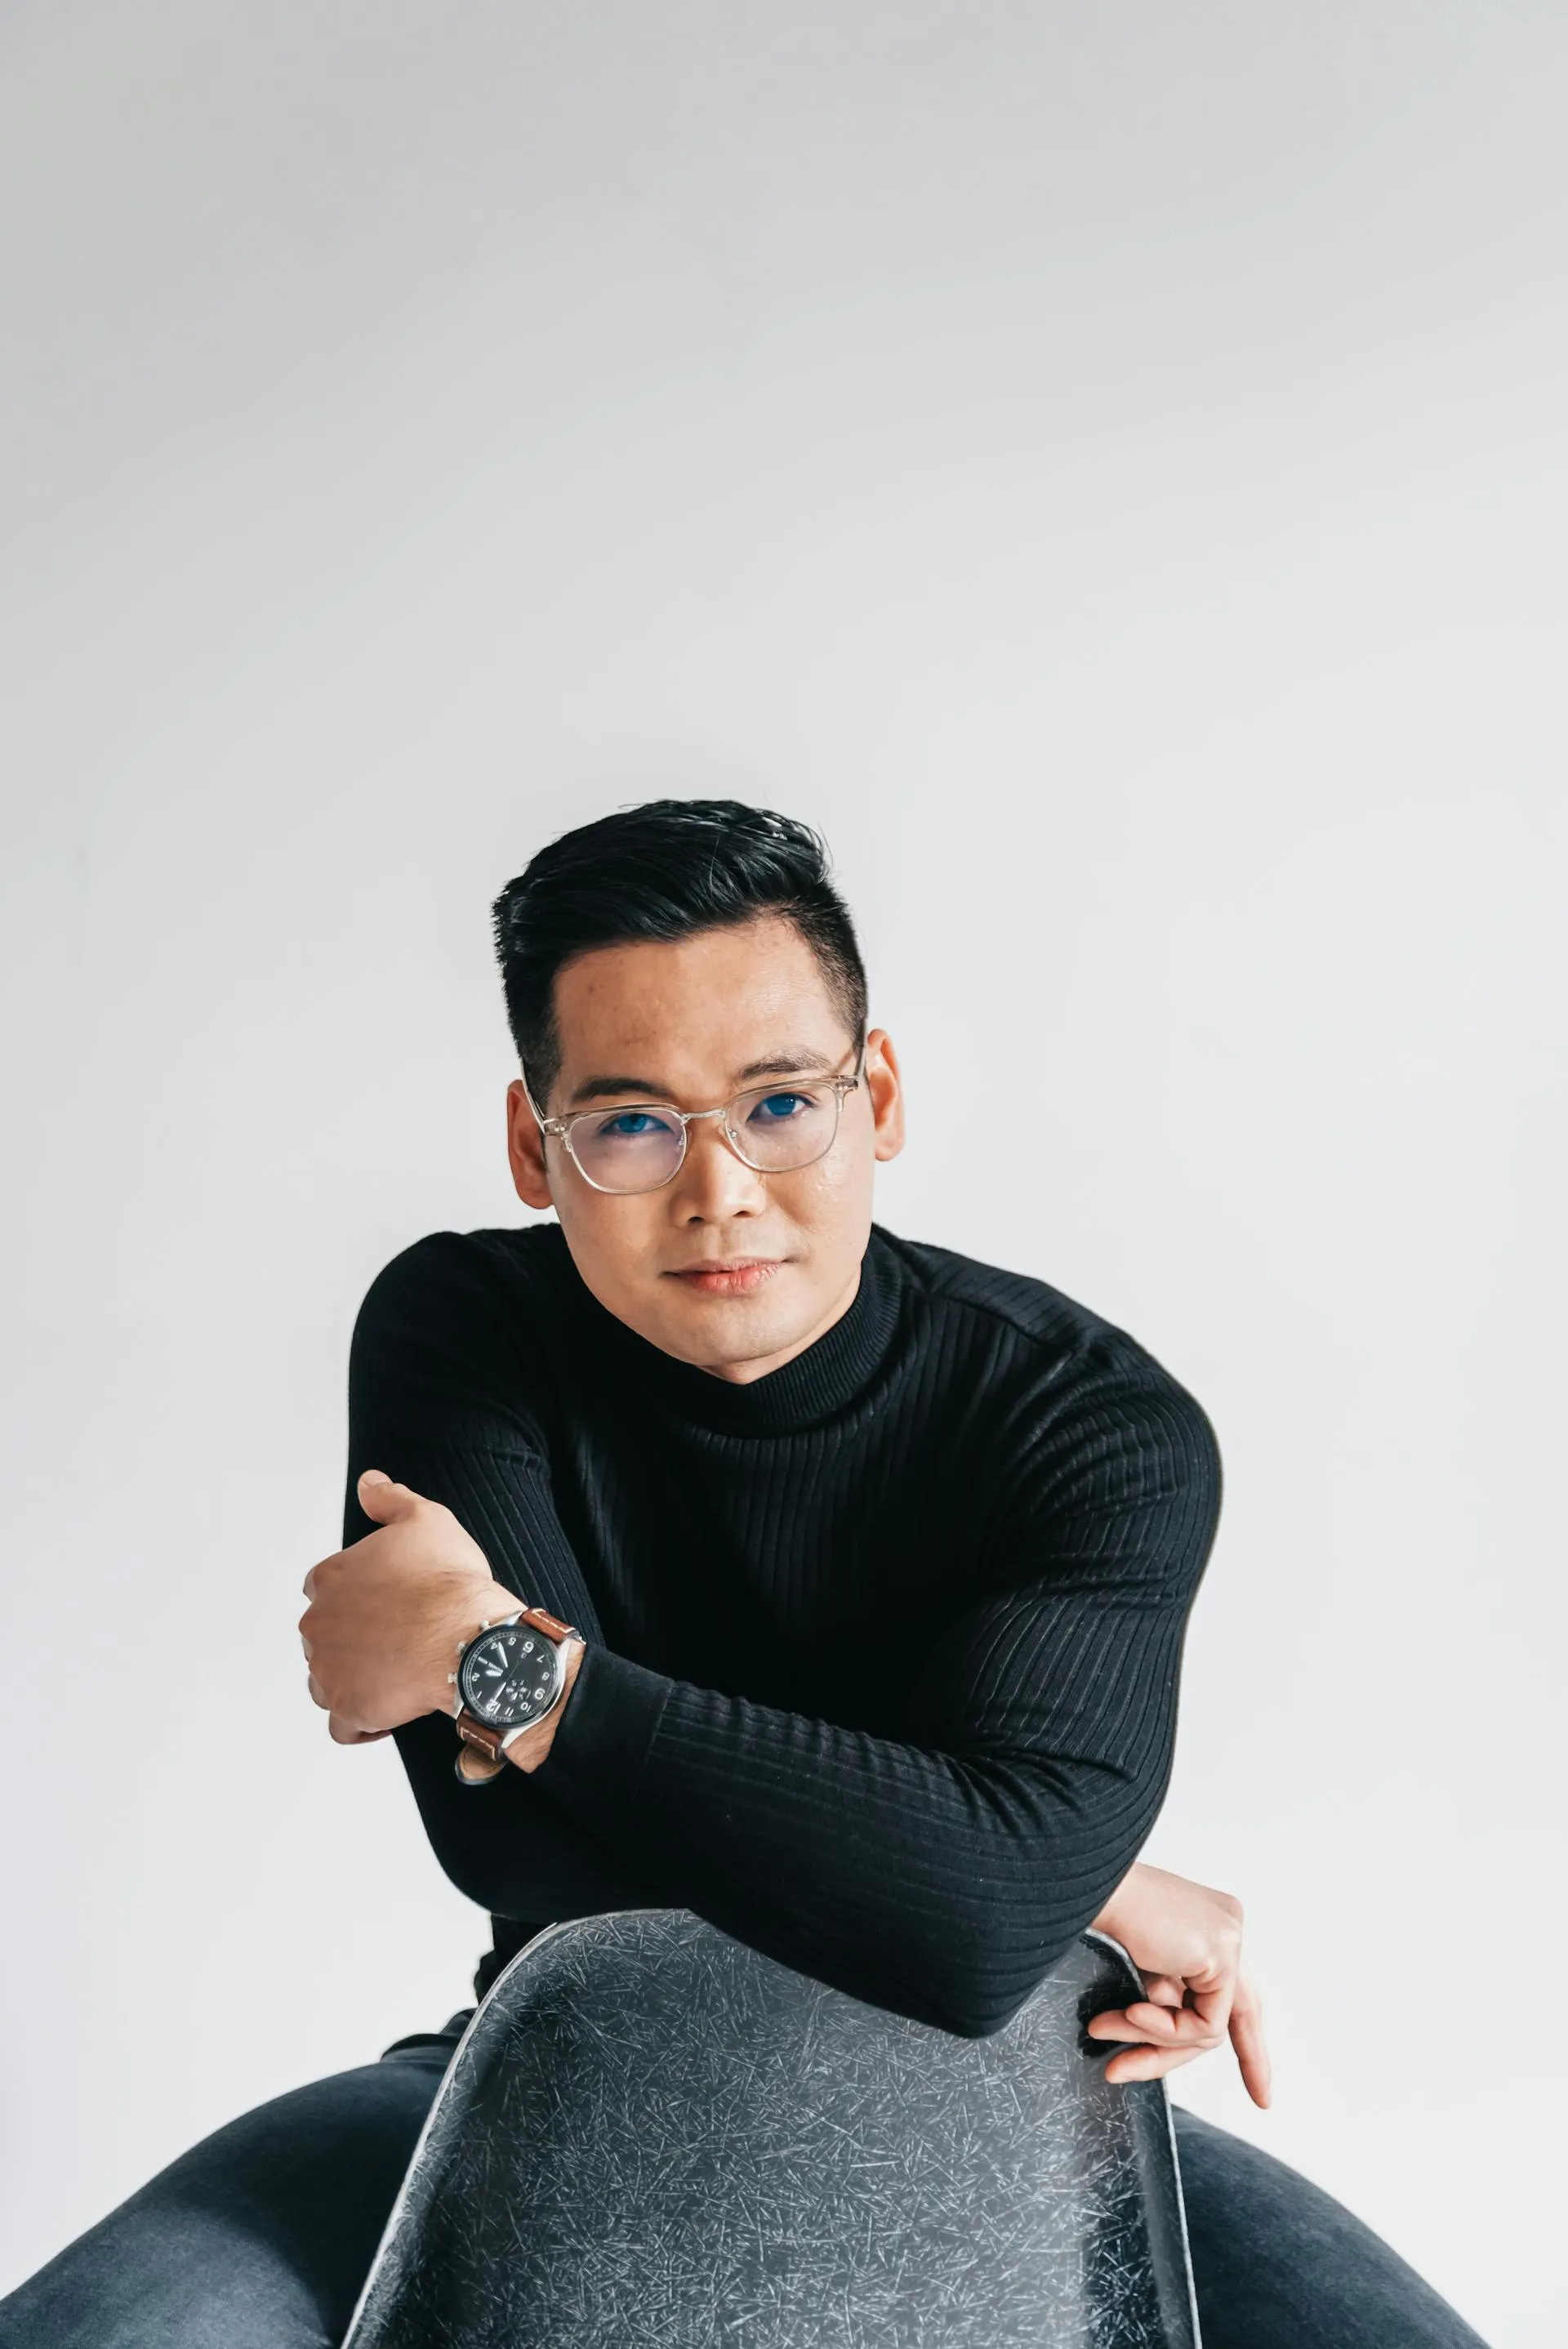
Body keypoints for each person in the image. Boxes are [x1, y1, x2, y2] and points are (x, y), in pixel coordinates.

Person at [0, 801, 1488, 2349]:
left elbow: (979, 1937)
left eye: (780, 1104)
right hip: (544, 2079)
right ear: (536, 1145)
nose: (720, 1193)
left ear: (880, 1096)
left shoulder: (1087, 1425)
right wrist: (1042, 1867)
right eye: (632, 1124)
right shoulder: (468, 1333)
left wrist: (518, 1674)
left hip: (1028, 2106)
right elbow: (532, 1861)